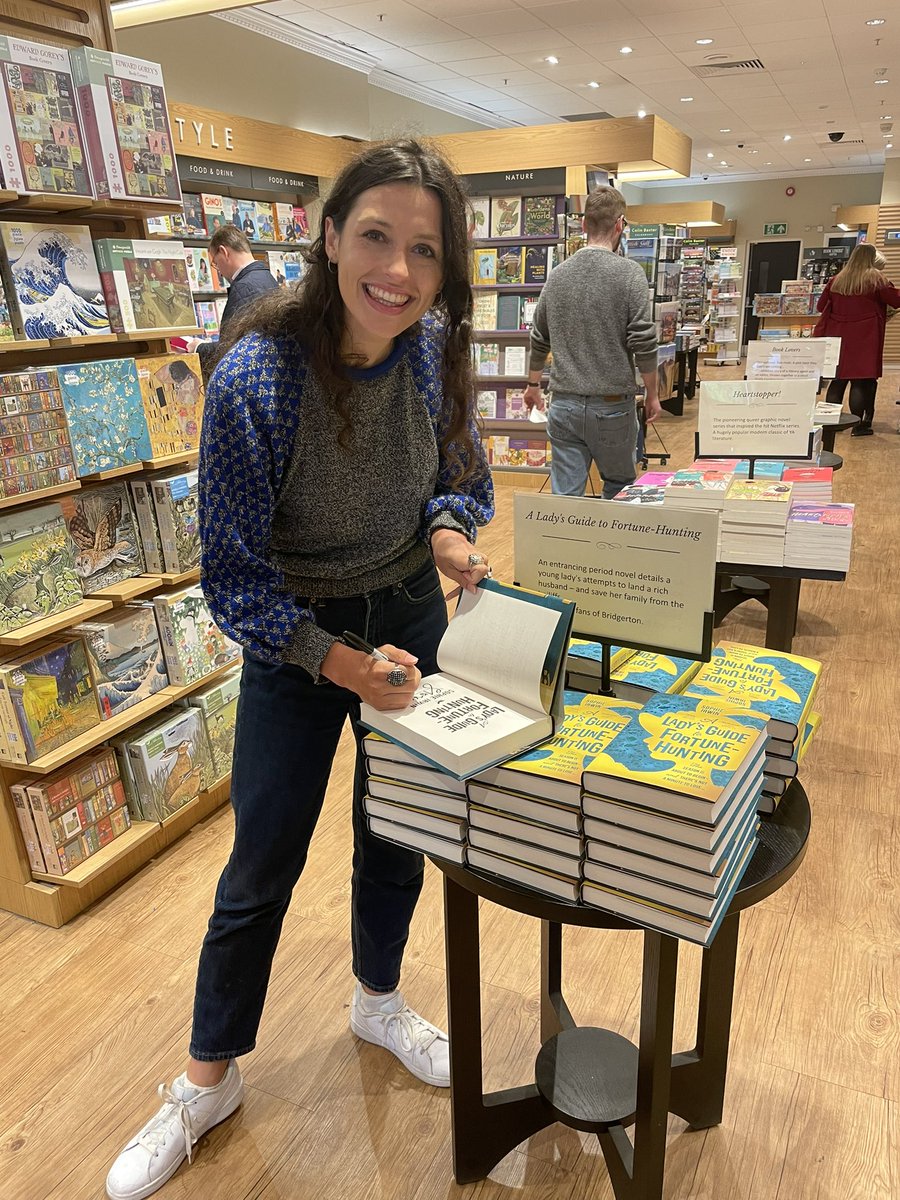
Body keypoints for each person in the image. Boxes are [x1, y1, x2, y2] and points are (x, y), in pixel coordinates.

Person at [105, 137, 494, 1200]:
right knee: (260, 865)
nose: (400, 272)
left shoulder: (437, 346)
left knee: (396, 829)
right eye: (376, 237)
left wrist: (454, 535)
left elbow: (460, 472)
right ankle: (207, 1078)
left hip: (411, 610)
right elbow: (230, 579)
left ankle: (377, 1000)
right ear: (328, 238)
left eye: (426, 249)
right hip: (294, 635)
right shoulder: (255, 378)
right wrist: (332, 662)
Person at [523, 185, 660, 497]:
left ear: (584, 225)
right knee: (619, 487)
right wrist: (652, 393)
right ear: (619, 224)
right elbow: (644, 341)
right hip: (612, 406)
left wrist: (533, 385)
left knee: (565, 497)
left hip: (564, 404)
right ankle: (611, 547)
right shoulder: (630, 274)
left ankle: (565, 546)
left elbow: (539, 336)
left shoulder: (557, 275)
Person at [815, 242, 900, 436]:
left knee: (837, 380)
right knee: (860, 382)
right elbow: (895, 300)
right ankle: (858, 425)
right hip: (865, 336)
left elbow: (821, 306)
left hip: (837, 334)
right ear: (871, 258)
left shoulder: (837, 279)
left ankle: (830, 423)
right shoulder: (876, 279)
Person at [183, 225, 277, 368]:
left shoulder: (244, 287)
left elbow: (232, 352)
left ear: (223, 251)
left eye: (215, 263)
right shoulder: (267, 277)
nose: (219, 271)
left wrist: (199, 348)